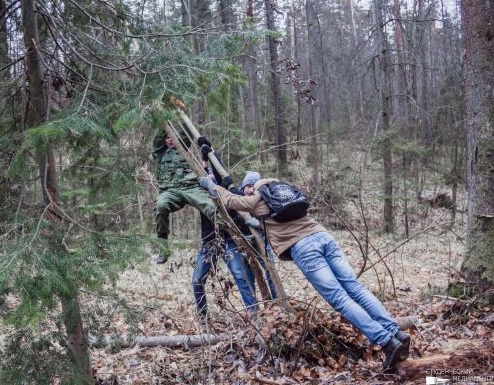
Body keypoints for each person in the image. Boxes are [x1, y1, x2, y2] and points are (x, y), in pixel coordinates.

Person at [197, 174, 411, 370]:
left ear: (256, 186)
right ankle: (396, 333)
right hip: (324, 237)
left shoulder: (260, 197)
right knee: (355, 288)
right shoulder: (284, 190)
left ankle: (386, 342)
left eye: (249, 188)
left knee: (339, 298)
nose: (248, 192)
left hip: (305, 249)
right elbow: (269, 220)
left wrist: (211, 184)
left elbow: (232, 202)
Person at [192, 165, 277, 319]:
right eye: (208, 175)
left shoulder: (229, 192)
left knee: (241, 274)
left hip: (230, 239)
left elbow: (239, 202)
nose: (250, 189)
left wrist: (210, 152)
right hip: (209, 241)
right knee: (197, 279)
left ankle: (255, 313)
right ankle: (203, 317)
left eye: (212, 175)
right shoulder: (199, 193)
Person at [151, 130, 219, 264]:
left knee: (211, 206)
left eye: (172, 137)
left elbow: (186, 132)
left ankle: (229, 235)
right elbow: (159, 135)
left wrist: (178, 110)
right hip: (170, 191)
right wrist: (162, 114)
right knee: (160, 206)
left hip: (191, 187)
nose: (170, 140)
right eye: (167, 138)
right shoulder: (160, 152)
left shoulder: (183, 149)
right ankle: (163, 248)